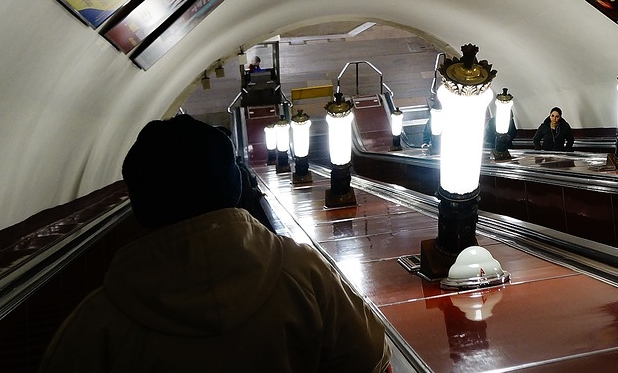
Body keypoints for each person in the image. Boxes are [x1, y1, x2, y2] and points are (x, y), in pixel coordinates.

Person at [40, 115, 390, 373]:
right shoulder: (303, 272)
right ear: (233, 187)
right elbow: (370, 360)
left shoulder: (97, 323)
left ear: (140, 207)